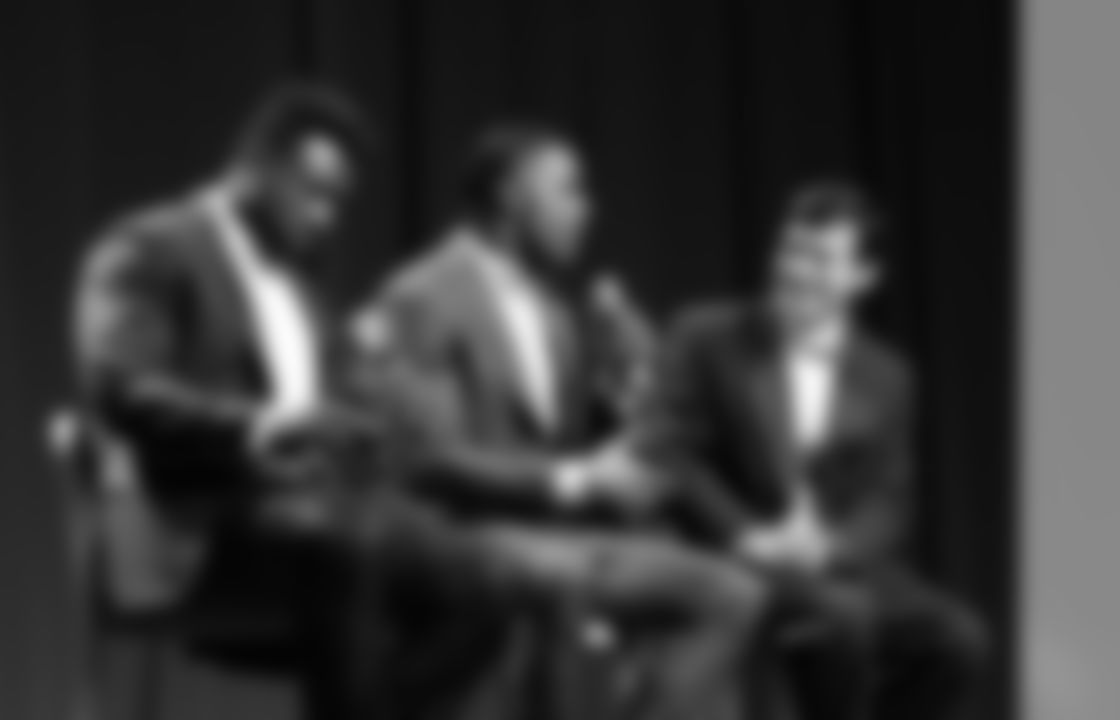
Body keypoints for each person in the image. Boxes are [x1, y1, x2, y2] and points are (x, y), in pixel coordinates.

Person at [71, 83, 533, 720]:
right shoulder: (150, 246)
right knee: (351, 550)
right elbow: (121, 386)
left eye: (339, 201)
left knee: (489, 581)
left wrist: (376, 407)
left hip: (320, 510)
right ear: (257, 168)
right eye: (314, 192)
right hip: (197, 524)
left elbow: (339, 397)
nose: (327, 217)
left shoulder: (298, 284)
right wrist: (259, 425)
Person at [356, 124, 766, 720]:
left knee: (732, 592)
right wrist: (576, 480)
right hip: (462, 533)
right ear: (509, 194)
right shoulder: (423, 293)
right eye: (568, 189)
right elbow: (428, 457)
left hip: (553, 535)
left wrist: (630, 386)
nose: (587, 209)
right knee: (561, 584)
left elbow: (578, 447)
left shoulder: (555, 311)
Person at [634, 182, 988, 720]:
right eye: (790, 249)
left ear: (863, 277)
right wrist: (744, 535)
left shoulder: (888, 373)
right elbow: (668, 452)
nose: (796, 270)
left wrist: (830, 550)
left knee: (960, 640)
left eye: (820, 259)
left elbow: (891, 499)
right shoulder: (707, 334)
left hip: (829, 561)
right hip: (732, 550)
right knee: (844, 619)